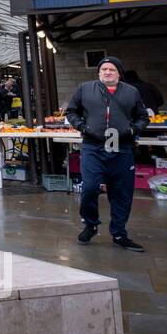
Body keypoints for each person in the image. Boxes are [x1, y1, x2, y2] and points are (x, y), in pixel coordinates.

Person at [64, 55, 150, 252]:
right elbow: (71, 112)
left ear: (119, 73)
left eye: (112, 69)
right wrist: (83, 127)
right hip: (93, 147)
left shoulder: (131, 92)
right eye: (104, 69)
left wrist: (131, 130)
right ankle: (90, 224)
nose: (107, 72)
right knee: (90, 187)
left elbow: (143, 117)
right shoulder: (85, 89)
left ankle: (119, 233)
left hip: (122, 148)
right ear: (99, 73)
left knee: (121, 193)